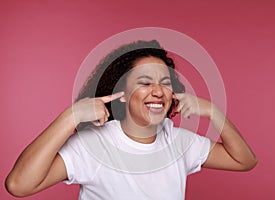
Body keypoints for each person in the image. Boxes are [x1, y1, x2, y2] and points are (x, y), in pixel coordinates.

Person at [5, 40, 257, 199]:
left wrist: (214, 112)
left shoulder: (179, 141)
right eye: (145, 82)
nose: (158, 91)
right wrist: (69, 117)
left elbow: (244, 161)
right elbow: (18, 185)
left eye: (165, 83)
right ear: (122, 94)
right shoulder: (94, 145)